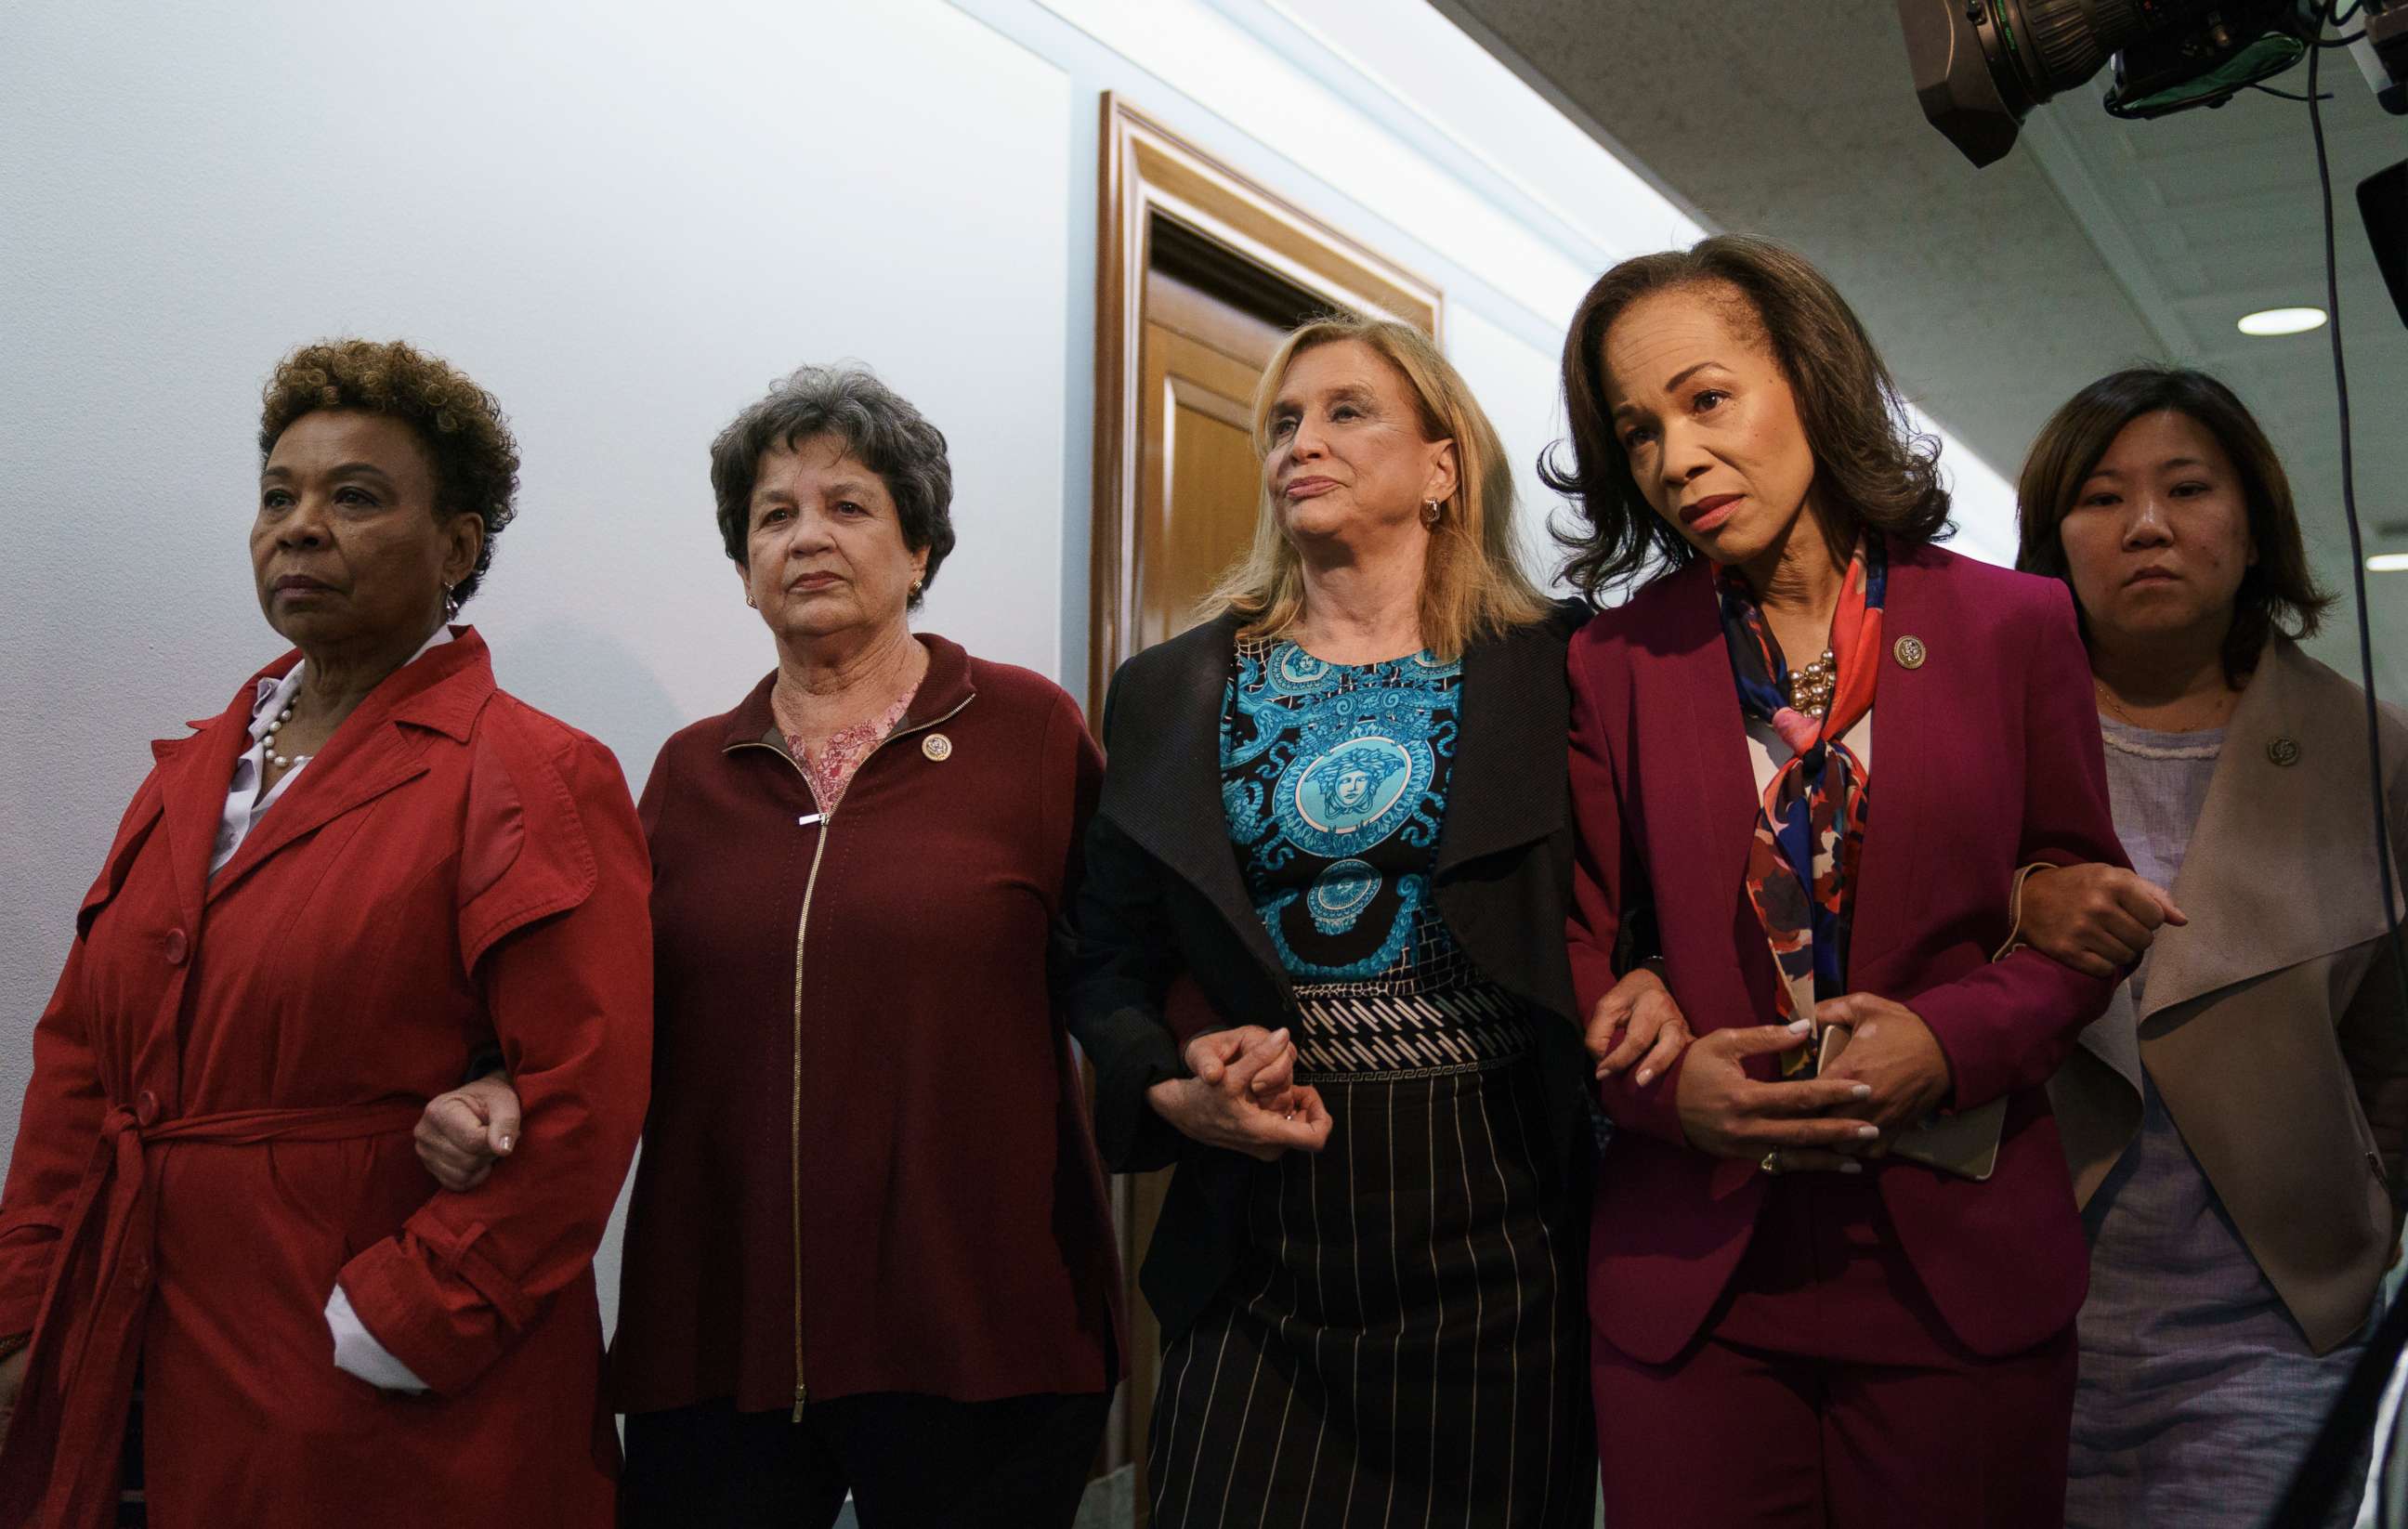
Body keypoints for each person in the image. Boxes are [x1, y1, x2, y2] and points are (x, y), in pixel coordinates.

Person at [415, 365, 1122, 1529]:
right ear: (744, 567)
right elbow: (611, 1001)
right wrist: (500, 1075)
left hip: (977, 1319)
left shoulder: (1028, 732)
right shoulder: (690, 772)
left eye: (849, 505)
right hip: (722, 1324)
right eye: (773, 514)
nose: (808, 537)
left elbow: (1117, 968)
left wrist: (1198, 1056)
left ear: (921, 549)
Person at [0, 339, 652, 1528]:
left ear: (456, 545)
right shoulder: (188, 775)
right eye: (277, 496)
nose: (299, 526)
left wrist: (403, 1320)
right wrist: (23, 1309)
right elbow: (81, 1066)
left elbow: (581, 1098)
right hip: (146, 1344)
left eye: (354, 496)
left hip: (391, 1385)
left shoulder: (532, 772)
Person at [1552, 235, 2126, 1528]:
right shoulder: (1616, 661)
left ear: (1808, 379)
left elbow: (2082, 912)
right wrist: (1660, 1084)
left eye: (1707, 399)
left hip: (1948, 1259)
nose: (1677, 457)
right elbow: (1578, 935)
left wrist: (1947, 1037)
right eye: (1639, 432)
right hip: (1697, 1273)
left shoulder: (2014, 626)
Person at [1071, 315, 1667, 1528]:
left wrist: (1653, 979)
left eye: (1348, 411)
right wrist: (1176, 1079)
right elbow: (1101, 955)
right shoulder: (1174, 690)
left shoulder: (1559, 666)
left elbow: (1640, 894)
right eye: (1284, 420)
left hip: (1500, 1225)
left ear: (1444, 468)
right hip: (1263, 1227)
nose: (1304, 440)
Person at [2006, 364, 2408, 1528]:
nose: (2146, 525)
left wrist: (2361, 1220)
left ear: (2253, 523)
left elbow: (2393, 1045)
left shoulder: (2365, 747)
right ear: (2052, 537)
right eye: (2100, 496)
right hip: (2016, 1321)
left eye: (2188, 487)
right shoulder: (1982, 731)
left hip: (2270, 1332)